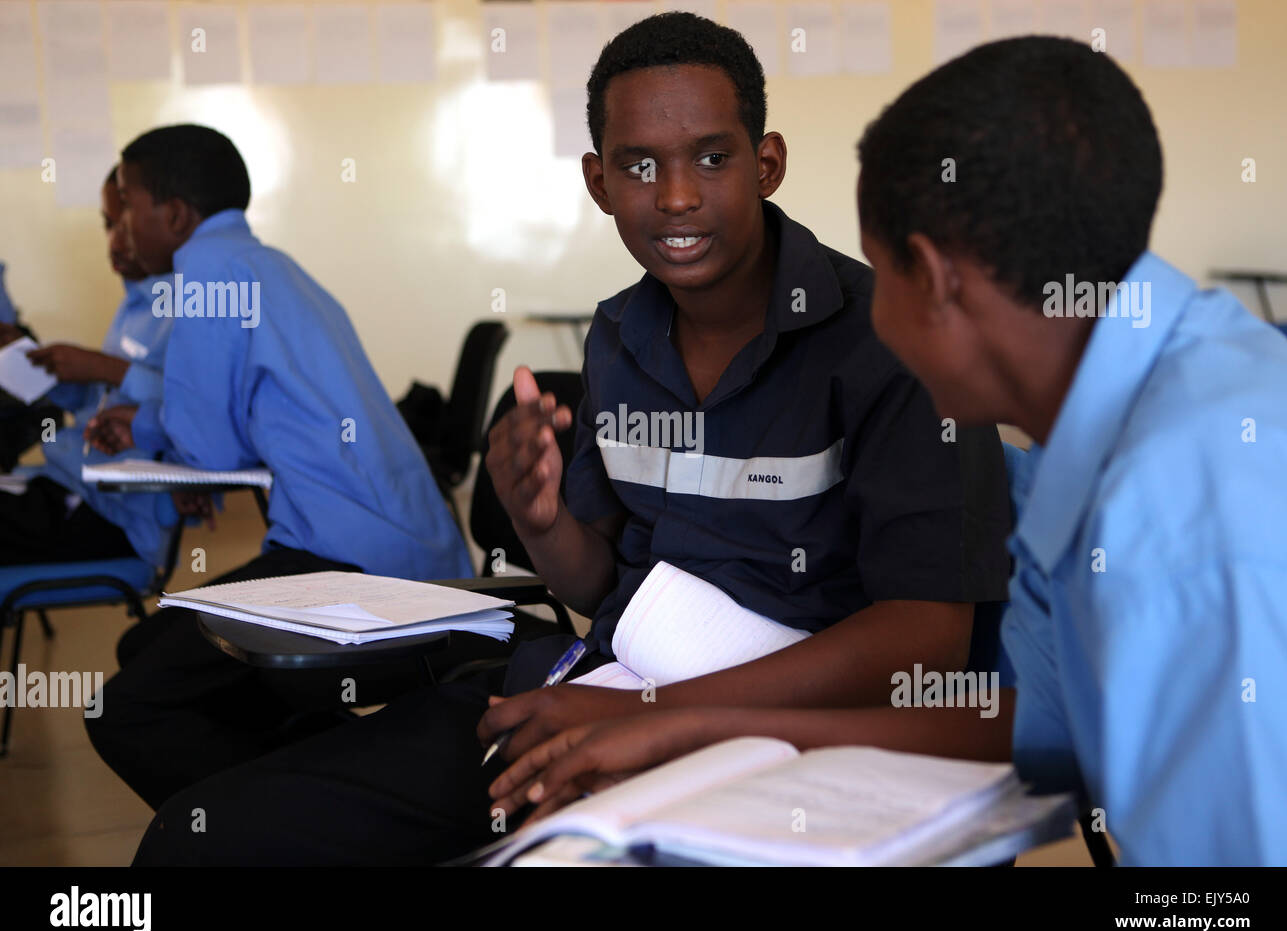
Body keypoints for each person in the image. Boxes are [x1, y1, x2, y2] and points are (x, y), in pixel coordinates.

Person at [125, 14, 1011, 865]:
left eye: (712, 157)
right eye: (638, 166)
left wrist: (664, 714)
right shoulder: (621, 336)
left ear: (766, 163)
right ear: (597, 183)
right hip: (598, 689)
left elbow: (927, 642)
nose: (675, 196)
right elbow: (601, 588)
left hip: (787, 745)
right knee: (204, 838)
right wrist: (542, 518)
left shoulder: (889, 340)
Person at [491, 36, 1287, 866]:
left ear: (935, 281)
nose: (867, 317)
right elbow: (1051, 720)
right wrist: (689, 723)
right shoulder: (1135, 405)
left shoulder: (1190, 504)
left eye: (881, 279)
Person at [85, 125, 474, 811]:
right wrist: (146, 422)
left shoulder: (204, 276)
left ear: (174, 215)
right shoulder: (271, 266)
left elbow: (211, 453)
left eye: (127, 205)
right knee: (150, 646)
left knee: (126, 709)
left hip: (346, 563)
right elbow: (238, 424)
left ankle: (292, 824)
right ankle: (326, 784)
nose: (120, 224)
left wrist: (148, 428)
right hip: (410, 545)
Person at [0, 166, 174, 567]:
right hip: (66, 481)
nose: (115, 242)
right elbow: (97, 399)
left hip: (110, 512)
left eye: (124, 225)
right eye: (108, 225)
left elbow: (187, 410)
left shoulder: (187, 310)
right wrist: (42, 366)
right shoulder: (135, 304)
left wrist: (101, 366)